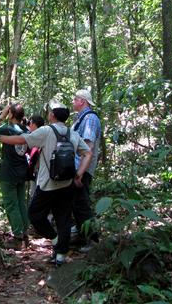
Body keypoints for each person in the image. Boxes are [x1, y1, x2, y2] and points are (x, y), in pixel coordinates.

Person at [0, 99, 91, 265]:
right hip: (66, 184)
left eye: (50, 112)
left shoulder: (45, 131)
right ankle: (60, 255)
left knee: (35, 215)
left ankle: (56, 240)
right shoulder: (73, 133)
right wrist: (79, 174)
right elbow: (88, 153)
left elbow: (22, 140)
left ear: (53, 116)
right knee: (63, 218)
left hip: (47, 184)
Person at [0, 103, 30, 249]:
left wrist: (1, 116)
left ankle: (18, 238)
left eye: (9, 113)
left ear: (12, 115)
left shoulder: (7, 129)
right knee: (20, 203)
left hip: (9, 173)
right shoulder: (25, 129)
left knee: (11, 205)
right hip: (21, 172)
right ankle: (24, 236)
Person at [71, 87, 102, 250]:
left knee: (82, 204)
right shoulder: (80, 118)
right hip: (77, 168)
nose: (73, 102)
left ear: (82, 101)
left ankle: (92, 240)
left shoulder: (89, 119)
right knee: (76, 203)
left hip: (81, 169)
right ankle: (82, 235)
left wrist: (80, 173)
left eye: (75, 99)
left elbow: (87, 148)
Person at [26, 115, 44, 199]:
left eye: (30, 123)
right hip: (40, 172)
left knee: (35, 196)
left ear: (33, 124)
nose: (29, 125)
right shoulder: (44, 134)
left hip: (38, 172)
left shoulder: (35, 137)